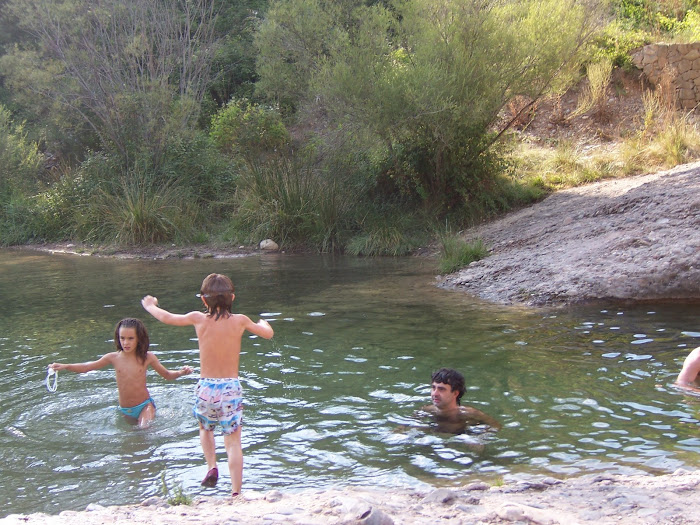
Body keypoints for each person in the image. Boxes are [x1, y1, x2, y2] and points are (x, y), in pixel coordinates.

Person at [141, 273, 274, 497]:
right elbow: (268, 335)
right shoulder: (240, 320)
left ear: (204, 300)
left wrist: (150, 306)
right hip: (230, 388)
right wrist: (263, 323)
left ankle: (212, 465)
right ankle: (235, 493)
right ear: (232, 297)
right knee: (233, 441)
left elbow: (167, 317)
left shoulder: (197, 318)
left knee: (205, 429)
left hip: (206, 387)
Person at [50, 317, 193, 428]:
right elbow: (87, 367)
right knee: (130, 440)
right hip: (125, 410)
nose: (126, 343)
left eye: (130, 338)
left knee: (144, 430)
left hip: (144, 406)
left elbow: (166, 375)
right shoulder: (113, 358)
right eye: (122, 338)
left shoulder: (147, 357)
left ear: (139, 339)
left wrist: (181, 372)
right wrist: (66, 366)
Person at [421, 367, 501, 434]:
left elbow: (496, 426)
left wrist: (481, 438)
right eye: (433, 388)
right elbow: (410, 425)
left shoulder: (469, 413)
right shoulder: (427, 410)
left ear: (455, 393)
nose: (435, 393)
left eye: (441, 389)